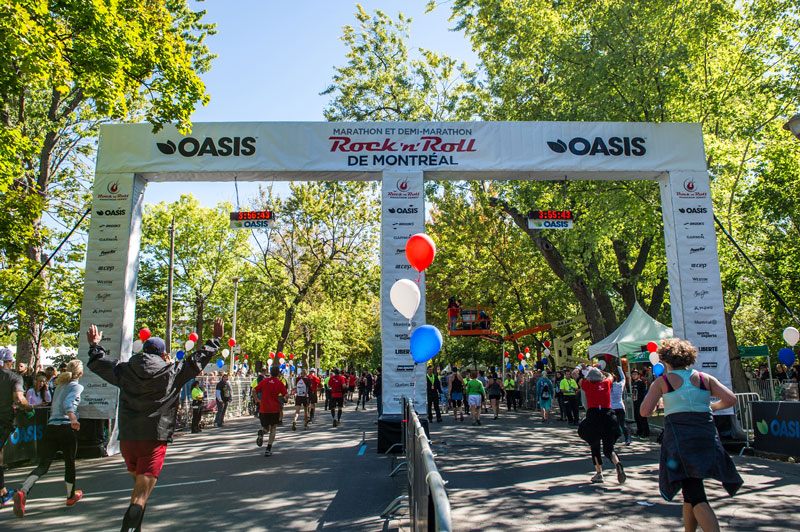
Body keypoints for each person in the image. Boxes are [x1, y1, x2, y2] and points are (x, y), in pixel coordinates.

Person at [87, 319, 222, 532]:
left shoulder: (125, 369)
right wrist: (215, 340)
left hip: (128, 439)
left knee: (139, 489)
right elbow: (196, 360)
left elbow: (98, 363)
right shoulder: (172, 371)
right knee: (141, 494)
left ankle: (136, 526)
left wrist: (95, 345)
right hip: (154, 438)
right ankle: (129, 528)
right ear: (163, 354)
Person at [640, 339, 742, 532]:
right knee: (691, 492)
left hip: (680, 441)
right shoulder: (704, 378)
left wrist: (661, 405)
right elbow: (730, 399)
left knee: (696, 496)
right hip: (706, 438)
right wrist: (712, 407)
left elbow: (645, 412)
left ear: (666, 360)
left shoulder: (663, 382)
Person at [12, 360, 85, 518]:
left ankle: (23, 491)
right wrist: (73, 418)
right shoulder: (77, 386)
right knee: (69, 461)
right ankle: (70, 496)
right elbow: (69, 404)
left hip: (51, 427)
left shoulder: (59, 387)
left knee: (43, 465)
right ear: (80, 373)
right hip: (66, 427)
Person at [578, 367, 626, 484]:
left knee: (595, 446)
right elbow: (611, 375)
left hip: (594, 417)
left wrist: (581, 369)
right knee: (608, 448)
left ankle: (599, 473)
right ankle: (617, 462)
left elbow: (576, 376)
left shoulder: (587, 385)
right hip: (608, 416)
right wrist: (602, 372)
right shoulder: (606, 384)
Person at [0, 348, 35, 507]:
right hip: (2, 421)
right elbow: (20, 400)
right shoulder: (14, 377)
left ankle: (2, 492)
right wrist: (29, 408)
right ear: (10, 361)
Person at [254, 366, 288, 456]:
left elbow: (254, 390)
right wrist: (287, 397)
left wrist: (256, 400)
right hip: (274, 409)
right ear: (278, 373)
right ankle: (268, 449)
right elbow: (285, 395)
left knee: (266, 428)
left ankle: (262, 432)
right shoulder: (279, 383)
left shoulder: (264, 381)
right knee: (273, 428)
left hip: (263, 408)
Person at [609, 362, 630, 445]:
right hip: (620, 406)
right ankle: (627, 439)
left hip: (612, 408)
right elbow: (623, 378)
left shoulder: (609, 387)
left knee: (613, 424)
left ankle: (613, 439)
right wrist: (620, 369)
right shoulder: (620, 385)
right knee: (622, 424)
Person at [631, 369, 650, 439]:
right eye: (633, 374)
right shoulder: (633, 383)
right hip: (635, 401)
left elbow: (644, 391)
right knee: (637, 418)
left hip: (641, 401)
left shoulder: (641, 383)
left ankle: (646, 433)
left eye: (635, 374)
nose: (634, 376)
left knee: (642, 418)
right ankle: (639, 431)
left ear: (638, 375)